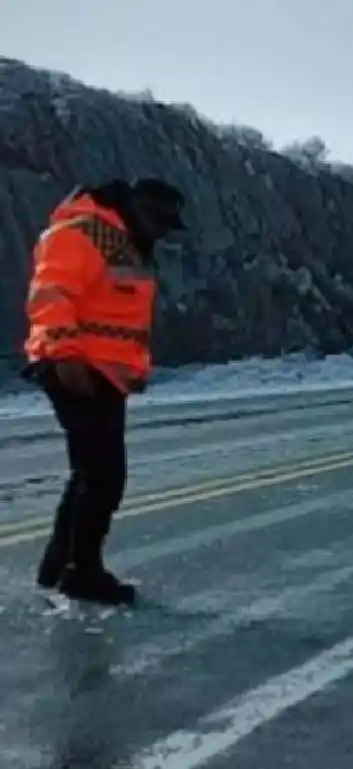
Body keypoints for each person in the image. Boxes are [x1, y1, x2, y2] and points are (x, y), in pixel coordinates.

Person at [21, 177, 187, 605]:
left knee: (90, 475)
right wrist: (63, 354)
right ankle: (82, 573)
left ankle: (59, 569)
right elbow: (51, 292)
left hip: (101, 373)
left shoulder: (124, 238)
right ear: (139, 208)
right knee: (103, 475)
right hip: (76, 368)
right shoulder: (85, 232)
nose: (164, 232)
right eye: (162, 222)